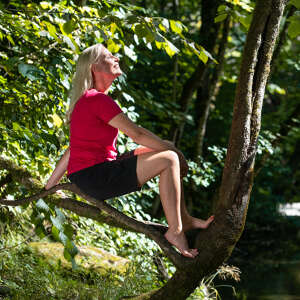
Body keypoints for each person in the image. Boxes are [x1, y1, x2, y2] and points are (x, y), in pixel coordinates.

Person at [45, 44, 214, 258]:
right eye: (108, 56)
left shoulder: (87, 100)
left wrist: (51, 185)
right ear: (95, 68)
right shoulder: (97, 100)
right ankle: (176, 231)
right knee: (170, 157)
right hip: (97, 176)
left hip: (90, 175)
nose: (116, 57)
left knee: (159, 148)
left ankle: (185, 219)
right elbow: (137, 134)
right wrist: (176, 153)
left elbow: (73, 148)